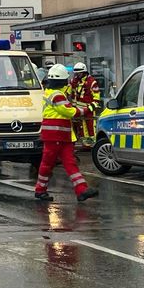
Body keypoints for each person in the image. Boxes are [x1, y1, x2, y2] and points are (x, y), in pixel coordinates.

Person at [35, 64, 98, 203]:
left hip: (61, 136)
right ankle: (40, 190)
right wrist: (88, 109)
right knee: (49, 163)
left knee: (68, 162)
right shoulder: (57, 96)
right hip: (56, 135)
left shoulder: (52, 92)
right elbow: (70, 112)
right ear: (63, 81)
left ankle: (81, 190)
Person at [67, 62, 101, 148]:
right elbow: (67, 92)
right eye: (76, 73)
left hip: (88, 111)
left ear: (84, 72)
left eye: (79, 73)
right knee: (80, 128)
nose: (77, 75)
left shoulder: (92, 82)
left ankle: (92, 145)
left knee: (90, 128)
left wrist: (89, 108)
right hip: (77, 110)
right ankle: (85, 145)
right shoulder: (73, 81)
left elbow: (97, 99)